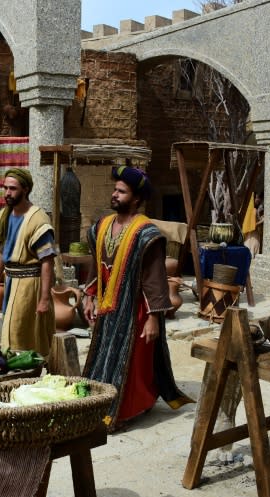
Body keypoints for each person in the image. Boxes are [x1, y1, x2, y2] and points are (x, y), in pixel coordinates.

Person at [82, 166, 193, 431]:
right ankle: (98, 403)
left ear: (136, 199)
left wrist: (154, 317)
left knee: (132, 365)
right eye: (115, 190)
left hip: (136, 311)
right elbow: (95, 264)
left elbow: (154, 278)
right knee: (104, 357)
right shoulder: (102, 226)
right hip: (109, 309)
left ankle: (126, 411)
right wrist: (89, 295)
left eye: (122, 191)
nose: (115, 194)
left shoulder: (146, 233)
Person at [0, 168, 56, 355]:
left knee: (23, 334)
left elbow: (47, 261)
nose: (7, 193)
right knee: (12, 329)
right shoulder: (3, 217)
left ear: (25, 190)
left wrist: (44, 299)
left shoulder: (38, 220)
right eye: (5, 188)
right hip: (10, 281)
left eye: (12, 189)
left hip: (29, 285)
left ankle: (30, 372)